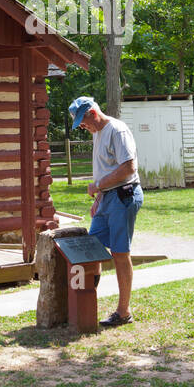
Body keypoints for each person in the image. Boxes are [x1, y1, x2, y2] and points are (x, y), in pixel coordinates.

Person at [69, 95, 143, 327]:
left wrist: (99, 187)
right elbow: (106, 169)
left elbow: (129, 168)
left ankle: (123, 312)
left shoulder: (117, 130)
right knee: (92, 248)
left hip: (123, 195)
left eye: (83, 122)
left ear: (92, 113)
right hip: (107, 198)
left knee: (120, 253)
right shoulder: (98, 134)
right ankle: (86, 304)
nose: (82, 127)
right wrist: (99, 198)